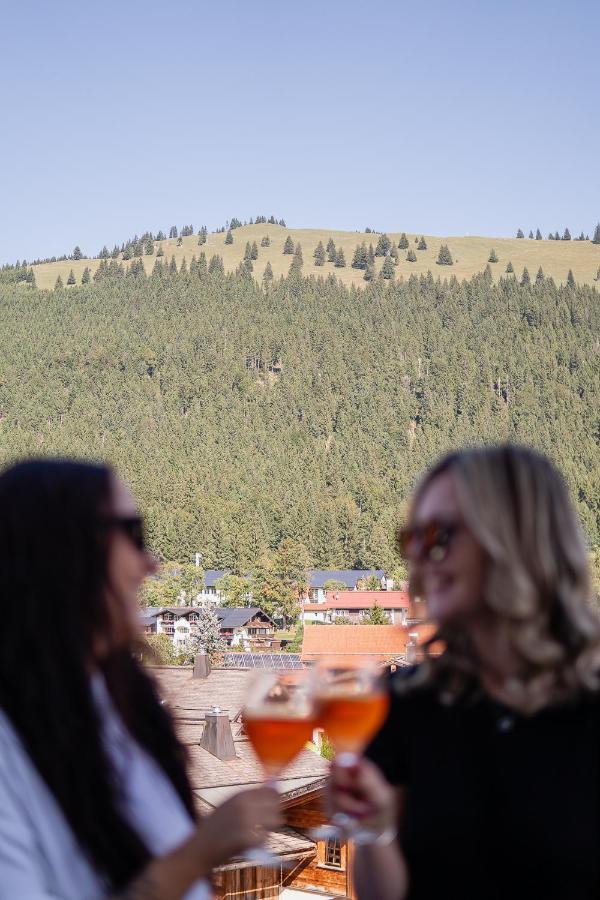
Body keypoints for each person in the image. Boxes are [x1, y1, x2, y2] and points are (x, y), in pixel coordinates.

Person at [328, 444, 600, 900]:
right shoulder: (406, 701)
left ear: (515, 538)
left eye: (437, 535)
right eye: (412, 538)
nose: (419, 556)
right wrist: (374, 832)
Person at [0, 459, 281, 899]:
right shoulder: (9, 747)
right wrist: (198, 854)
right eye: (133, 535)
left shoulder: (124, 705)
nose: (150, 563)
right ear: (64, 551)